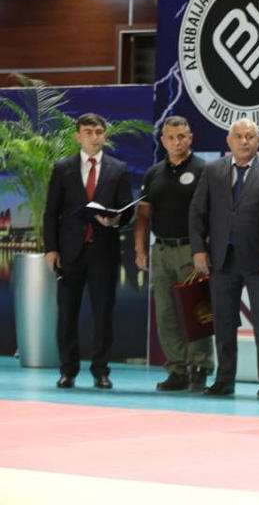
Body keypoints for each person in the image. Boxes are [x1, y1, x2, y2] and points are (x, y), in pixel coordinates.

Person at [189, 118, 259, 398]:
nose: (244, 141)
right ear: (229, 141)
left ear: (258, 141)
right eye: (238, 136)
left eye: (249, 136)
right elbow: (197, 213)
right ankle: (224, 381)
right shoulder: (212, 170)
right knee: (222, 323)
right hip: (221, 260)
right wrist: (198, 249)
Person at [44, 113, 133, 390]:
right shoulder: (63, 168)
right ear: (78, 136)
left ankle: (101, 371)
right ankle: (67, 371)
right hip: (70, 252)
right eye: (88, 132)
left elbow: (127, 209)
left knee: (103, 314)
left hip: (103, 252)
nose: (94, 137)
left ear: (104, 135)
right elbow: (51, 212)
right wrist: (51, 249)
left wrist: (115, 220)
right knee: (67, 314)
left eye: (98, 132)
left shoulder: (118, 169)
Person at [135, 115, 213, 393]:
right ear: (163, 140)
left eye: (182, 136)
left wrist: (203, 249)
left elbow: (214, 213)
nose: (177, 142)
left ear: (190, 138)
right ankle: (178, 368)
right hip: (161, 250)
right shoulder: (153, 173)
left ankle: (201, 367)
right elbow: (143, 215)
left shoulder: (205, 170)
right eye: (171, 137)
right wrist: (140, 248)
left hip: (192, 250)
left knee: (197, 311)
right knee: (165, 313)